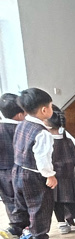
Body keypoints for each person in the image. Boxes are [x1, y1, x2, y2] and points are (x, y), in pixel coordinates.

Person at [0, 88, 58, 239]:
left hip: (17, 170)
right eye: (51, 106)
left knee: (21, 205)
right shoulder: (43, 133)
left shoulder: (22, 125)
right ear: (44, 110)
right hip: (33, 174)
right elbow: (42, 157)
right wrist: (50, 175)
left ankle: (14, 229)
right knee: (40, 206)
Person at [47, 106, 75, 234]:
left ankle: (62, 224)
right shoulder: (70, 140)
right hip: (70, 176)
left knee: (57, 202)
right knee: (74, 200)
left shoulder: (47, 141)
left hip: (54, 177)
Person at [0, 92, 24, 227]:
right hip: (22, 169)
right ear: (20, 114)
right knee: (27, 200)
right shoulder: (23, 129)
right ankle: (30, 228)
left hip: (3, 171)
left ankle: (16, 226)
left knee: (9, 200)